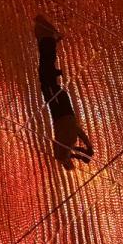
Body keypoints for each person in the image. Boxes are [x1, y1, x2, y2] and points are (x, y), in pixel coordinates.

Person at [34, 16, 93, 170]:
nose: (68, 161)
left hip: (62, 111)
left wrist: (85, 150)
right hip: (61, 111)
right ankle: (47, 38)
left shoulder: (67, 145)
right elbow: (68, 151)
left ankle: (47, 39)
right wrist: (85, 150)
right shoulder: (68, 143)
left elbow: (66, 153)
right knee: (47, 77)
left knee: (48, 76)